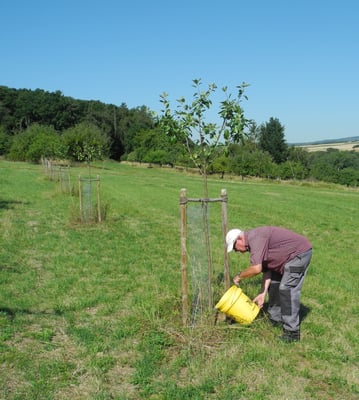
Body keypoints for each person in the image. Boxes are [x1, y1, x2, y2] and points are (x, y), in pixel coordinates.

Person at [226, 226, 312, 342]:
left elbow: (256, 269)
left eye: (235, 248)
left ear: (240, 239)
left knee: (287, 289)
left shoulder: (255, 239)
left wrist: (239, 276)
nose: (238, 252)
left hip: (299, 254)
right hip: (284, 260)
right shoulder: (254, 243)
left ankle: (292, 332)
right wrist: (262, 293)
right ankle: (275, 319)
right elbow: (266, 270)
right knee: (275, 285)